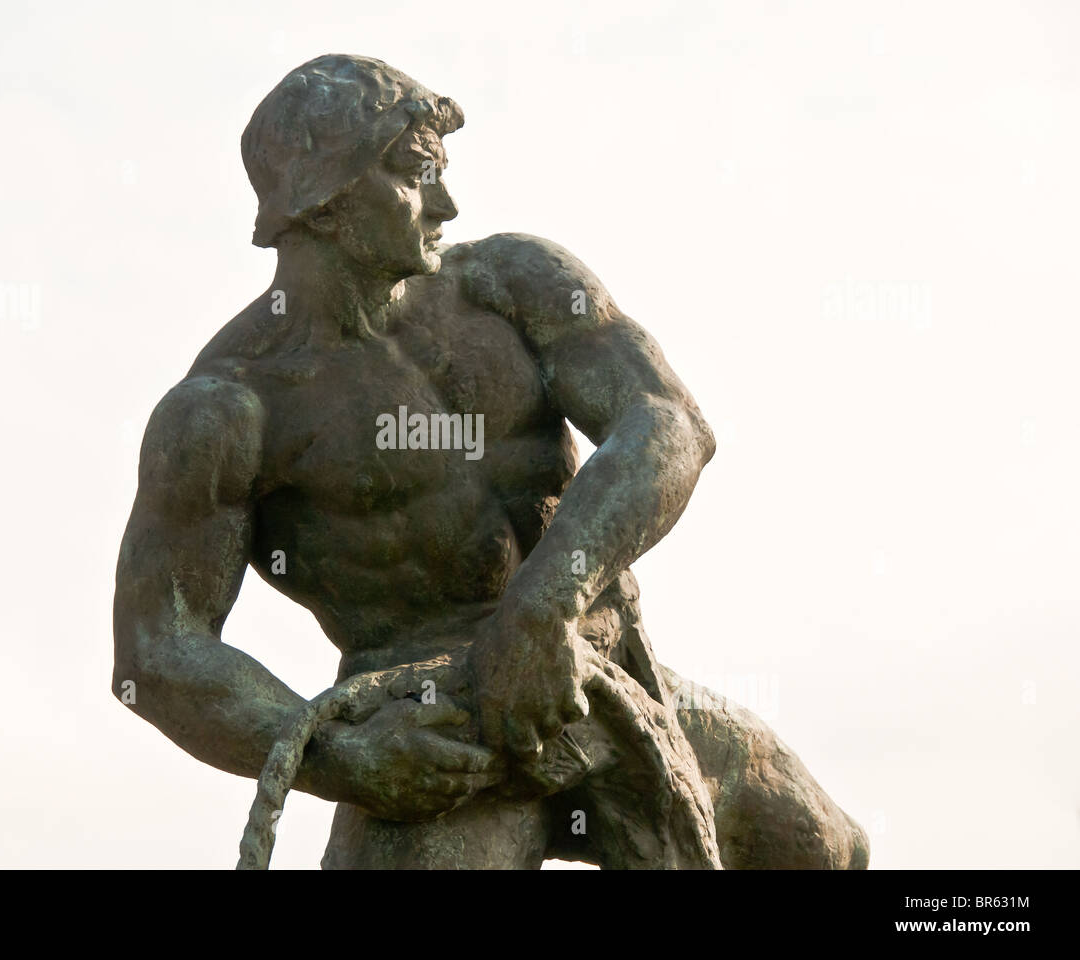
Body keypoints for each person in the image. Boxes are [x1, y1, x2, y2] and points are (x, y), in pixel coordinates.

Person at [113, 54, 867, 869]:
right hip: (435, 743)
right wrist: (349, 764)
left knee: (830, 852)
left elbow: (669, 421)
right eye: (414, 173)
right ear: (320, 199)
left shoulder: (513, 283)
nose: (447, 202)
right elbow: (158, 649)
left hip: (593, 668)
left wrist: (544, 605)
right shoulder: (228, 408)